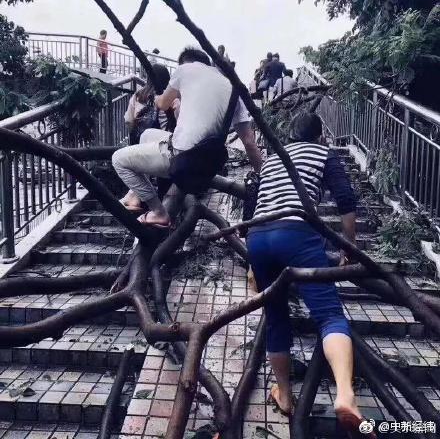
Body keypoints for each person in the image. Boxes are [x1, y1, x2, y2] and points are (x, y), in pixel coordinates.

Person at [246, 113, 375, 438]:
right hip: (295, 233)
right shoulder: (322, 153)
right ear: (320, 136)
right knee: (329, 315)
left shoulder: (273, 158)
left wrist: (251, 263)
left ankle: (284, 394)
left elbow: (256, 201)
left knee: (276, 318)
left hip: (257, 237)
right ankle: (345, 394)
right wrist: (349, 245)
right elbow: (345, 198)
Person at [112, 47, 262, 227]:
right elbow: (249, 143)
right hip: (208, 162)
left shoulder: (185, 69)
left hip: (182, 157)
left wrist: (159, 97)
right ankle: (134, 195)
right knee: (147, 135)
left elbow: (162, 104)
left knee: (118, 159)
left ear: (185, 63)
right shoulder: (233, 89)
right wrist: (261, 176)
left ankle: (159, 212)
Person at [120, 64, 174, 212]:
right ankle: (165, 208)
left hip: (142, 144)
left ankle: (139, 200)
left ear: (148, 78)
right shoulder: (170, 97)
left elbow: (128, 121)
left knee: (139, 169)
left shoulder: (138, 96)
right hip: (163, 146)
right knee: (165, 179)